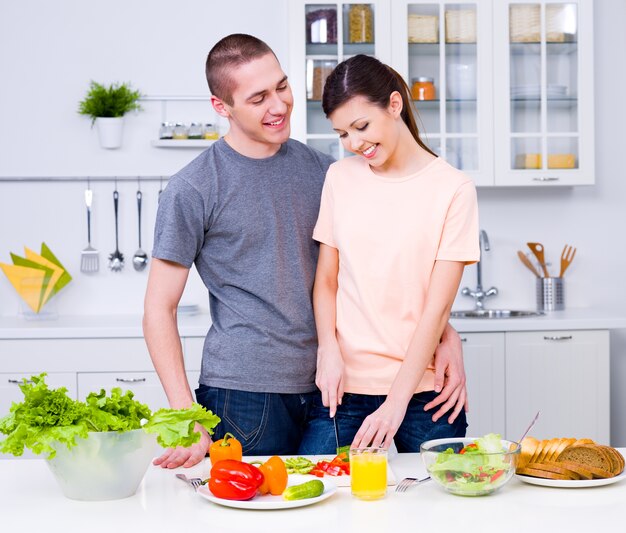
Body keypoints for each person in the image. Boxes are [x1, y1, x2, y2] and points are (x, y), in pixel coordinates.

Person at [143, 34, 469, 469]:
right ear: (222, 107)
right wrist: (186, 413)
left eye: (281, 87)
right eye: (258, 98)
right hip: (246, 394)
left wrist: (448, 335)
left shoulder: (327, 171)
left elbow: (382, 268)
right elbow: (157, 309)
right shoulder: (193, 187)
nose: (278, 106)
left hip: (333, 387)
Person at [309, 54, 479, 452]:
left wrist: (395, 403)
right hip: (343, 390)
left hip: (425, 395)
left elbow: (436, 310)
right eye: (342, 134)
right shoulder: (340, 177)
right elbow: (327, 281)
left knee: (439, 508)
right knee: (315, 499)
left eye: (361, 126)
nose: (354, 144)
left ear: (395, 104)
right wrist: (327, 349)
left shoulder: (453, 189)